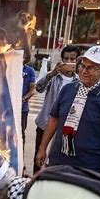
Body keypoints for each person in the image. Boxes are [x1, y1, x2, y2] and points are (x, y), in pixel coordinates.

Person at [36, 46, 100, 179]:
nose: (84, 71)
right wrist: (42, 148)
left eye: (91, 67)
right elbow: (54, 119)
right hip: (58, 160)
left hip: (87, 166)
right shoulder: (68, 89)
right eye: (82, 65)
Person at [33, 45, 80, 173]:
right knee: (39, 156)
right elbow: (39, 88)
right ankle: (35, 182)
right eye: (66, 59)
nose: (69, 62)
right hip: (45, 122)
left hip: (67, 126)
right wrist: (52, 73)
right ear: (61, 60)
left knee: (60, 159)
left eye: (72, 59)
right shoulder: (54, 76)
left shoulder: (79, 81)